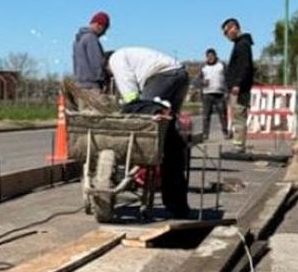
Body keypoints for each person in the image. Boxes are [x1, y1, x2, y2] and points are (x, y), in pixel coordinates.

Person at [106, 46, 192, 218]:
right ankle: (177, 205)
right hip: (180, 75)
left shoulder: (115, 59)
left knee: (146, 115)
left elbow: (131, 97)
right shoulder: (130, 56)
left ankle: (142, 174)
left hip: (166, 76)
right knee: (168, 138)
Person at [221, 17, 255, 146]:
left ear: (234, 28)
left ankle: (238, 146)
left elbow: (244, 66)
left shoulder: (243, 44)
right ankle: (238, 144)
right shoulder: (240, 44)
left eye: (226, 32)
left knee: (239, 116)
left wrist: (237, 84)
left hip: (240, 88)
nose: (226, 36)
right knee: (237, 116)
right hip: (238, 87)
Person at [72, 11, 110, 91]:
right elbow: (96, 63)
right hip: (91, 86)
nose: (104, 33)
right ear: (98, 25)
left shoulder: (78, 39)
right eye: (105, 28)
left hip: (79, 85)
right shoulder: (91, 38)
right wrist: (103, 80)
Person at [199, 47, 228, 138]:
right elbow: (197, 81)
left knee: (223, 115)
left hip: (220, 93)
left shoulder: (222, 65)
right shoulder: (204, 67)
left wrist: (227, 91)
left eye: (212, 56)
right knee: (206, 115)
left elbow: (228, 78)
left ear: (216, 56)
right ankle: (205, 134)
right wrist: (202, 82)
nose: (210, 58)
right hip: (207, 94)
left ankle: (225, 132)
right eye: (208, 56)